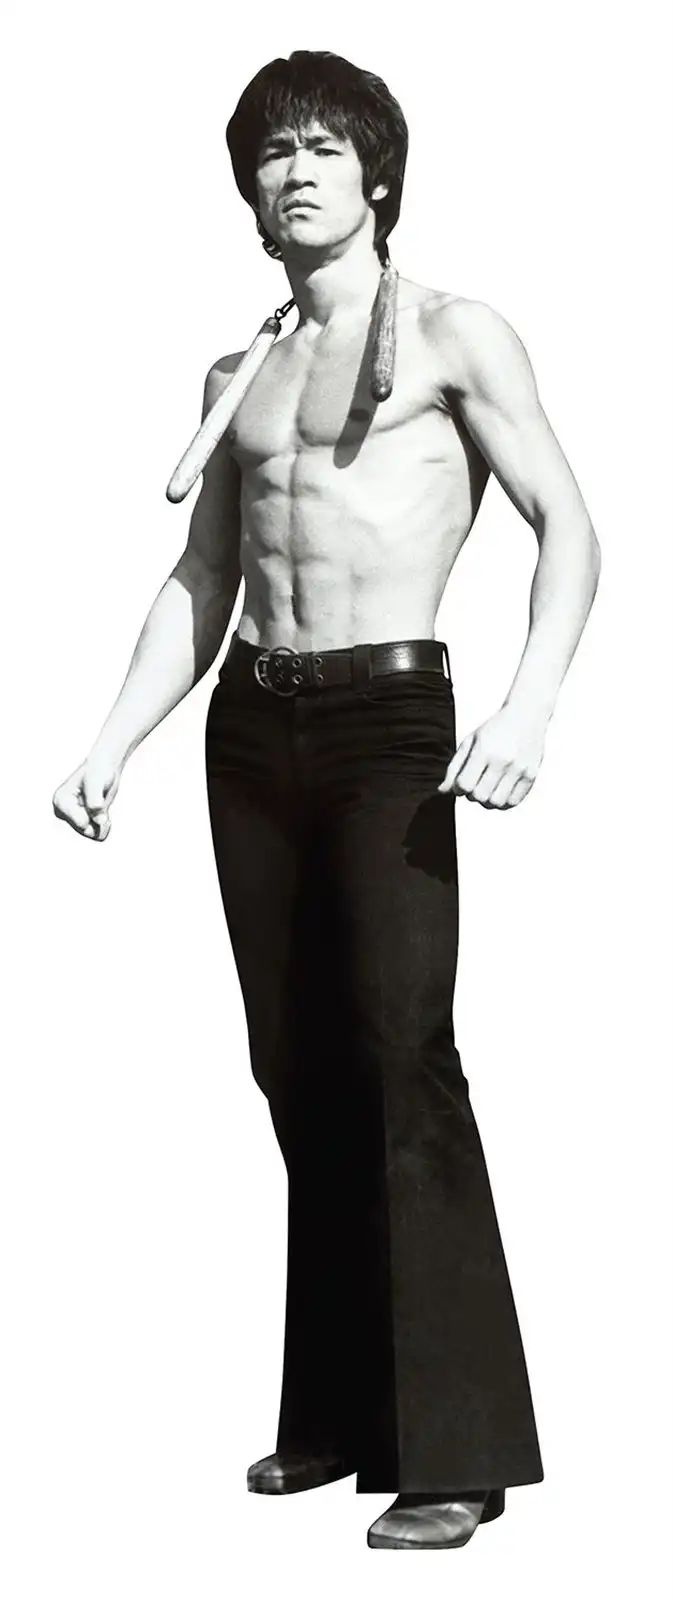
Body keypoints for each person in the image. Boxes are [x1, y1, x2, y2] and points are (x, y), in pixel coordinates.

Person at [53, 50, 601, 1551]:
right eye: (272, 152)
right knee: (296, 1070)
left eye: (321, 148)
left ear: (377, 175)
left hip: (386, 721)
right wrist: (112, 741)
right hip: (255, 726)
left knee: (403, 1058)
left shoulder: (457, 333)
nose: (294, 171)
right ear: (250, 191)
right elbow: (204, 579)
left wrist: (530, 706)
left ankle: (458, 1452)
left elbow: (570, 527)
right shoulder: (236, 375)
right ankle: (346, 1411)